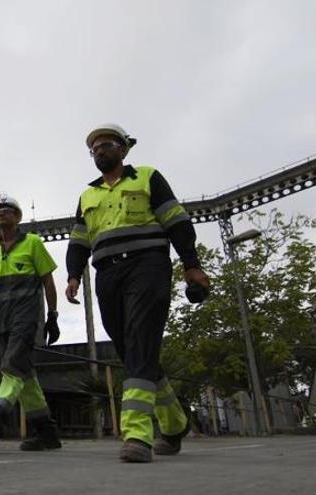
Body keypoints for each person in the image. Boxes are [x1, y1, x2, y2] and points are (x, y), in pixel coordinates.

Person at [65, 123, 211, 462]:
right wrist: (74, 274)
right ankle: (174, 424)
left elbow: (176, 221)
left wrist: (191, 264)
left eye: (107, 145)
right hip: (107, 274)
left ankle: (137, 434)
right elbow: (78, 240)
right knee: (132, 351)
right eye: (94, 148)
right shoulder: (87, 195)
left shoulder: (147, 177)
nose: (100, 151)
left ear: (124, 149)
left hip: (148, 266)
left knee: (141, 339)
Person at [0, 195, 62, 453]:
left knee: (11, 367)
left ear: (18, 217)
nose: (1, 213)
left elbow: (48, 281)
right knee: (26, 378)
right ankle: (46, 432)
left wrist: (52, 316)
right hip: (4, 322)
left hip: (27, 320)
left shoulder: (33, 244)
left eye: (7, 210)